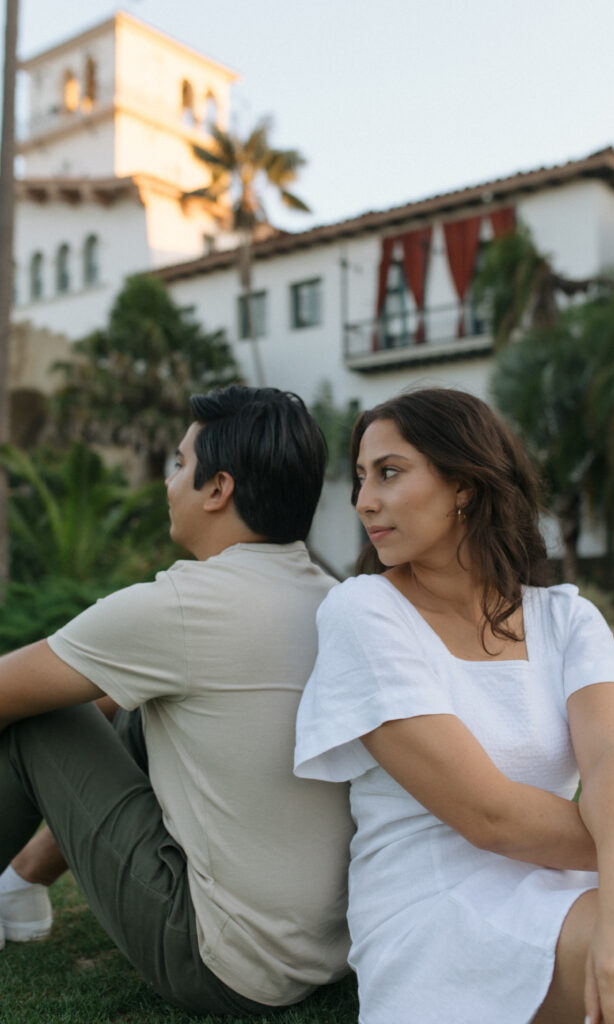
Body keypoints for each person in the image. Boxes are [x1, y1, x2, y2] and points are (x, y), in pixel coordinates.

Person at [294, 387, 614, 1024]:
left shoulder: (566, 617)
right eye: (362, 477)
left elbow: (613, 758)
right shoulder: (363, 612)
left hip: (568, 877)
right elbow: (490, 816)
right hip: (442, 907)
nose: (365, 500)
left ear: (464, 487)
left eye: (389, 473)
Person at [0, 385, 353, 1017]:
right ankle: (21, 884)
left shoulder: (186, 607)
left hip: (222, 965)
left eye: (180, 465)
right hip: (323, 952)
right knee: (129, 700)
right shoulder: (334, 598)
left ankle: (16, 886)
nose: (170, 483)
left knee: (37, 716)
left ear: (218, 489)